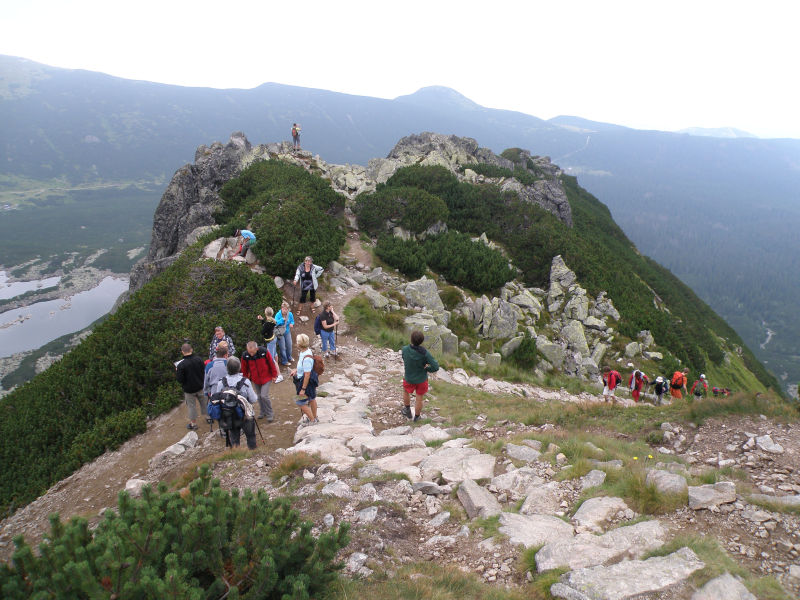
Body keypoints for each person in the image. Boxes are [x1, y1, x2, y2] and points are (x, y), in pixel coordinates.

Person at [213, 357, 259, 449]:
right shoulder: (245, 381)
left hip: (230, 415)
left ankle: (236, 456)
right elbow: (253, 399)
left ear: (227, 368)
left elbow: (218, 399)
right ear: (239, 368)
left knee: (234, 438)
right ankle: (253, 455)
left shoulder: (221, 383)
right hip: (245, 414)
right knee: (251, 436)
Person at [401, 330, 439, 422]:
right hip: (421, 380)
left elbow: (403, 357)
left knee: (406, 391)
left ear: (411, 339)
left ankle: (407, 410)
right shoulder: (425, 353)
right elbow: (435, 366)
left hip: (409, 377)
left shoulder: (405, 349)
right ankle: (417, 417)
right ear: (422, 341)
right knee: (419, 398)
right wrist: (426, 369)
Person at [241, 341, 279, 421]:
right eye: (249, 352)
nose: (251, 354)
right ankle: (263, 411)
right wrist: (245, 378)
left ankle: (270, 413)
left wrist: (274, 375)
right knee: (259, 396)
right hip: (255, 379)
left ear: (257, 349)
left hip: (266, 377)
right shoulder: (245, 356)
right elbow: (244, 368)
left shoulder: (264, 352)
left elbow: (271, 363)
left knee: (264, 396)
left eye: (252, 352)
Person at [175, 343, 207, 430]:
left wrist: (177, 371)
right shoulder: (199, 359)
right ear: (191, 350)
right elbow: (204, 371)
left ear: (182, 352)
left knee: (191, 406)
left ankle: (193, 424)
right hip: (200, 386)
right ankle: (209, 418)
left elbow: (180, 380)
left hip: (189, 389)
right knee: (204, 402)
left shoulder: (181, 365)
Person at [291, 333, 318, 425]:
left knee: (300, 402)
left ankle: (312, 420)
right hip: (310, 381)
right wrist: (296, 370)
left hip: (305, 382)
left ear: (299, 344)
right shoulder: (306, 351)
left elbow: (307, 374)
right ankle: (315, 417)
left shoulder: (306, 358)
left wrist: (303, 389)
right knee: (312, 398)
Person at [257, 306, 282, 382]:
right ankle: (275, 370)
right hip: (273, 339)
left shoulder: (268, 323)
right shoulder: (272, 321)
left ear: (265, 313)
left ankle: (279, 375)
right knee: (275, 355)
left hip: (270, 342)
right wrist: (262, 320)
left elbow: (263, 331)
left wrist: (262, 323)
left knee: (271, 358)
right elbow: (266, 324)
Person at [275, 301, 295, 367]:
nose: (285, 310)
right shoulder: (278, 315)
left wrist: (292, 323)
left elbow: (292, 321)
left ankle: (289, 357)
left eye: (286, 309)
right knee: (282, 347)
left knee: (289, 345)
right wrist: (282, 320)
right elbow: (275, 323)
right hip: (280, 333)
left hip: (287, 332)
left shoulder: (290, 314)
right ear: (281, 308)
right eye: (284, 309)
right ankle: (284, 361)